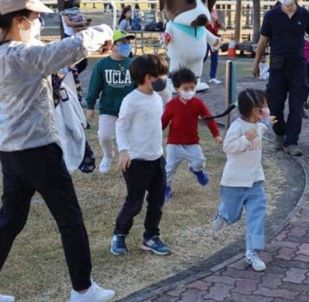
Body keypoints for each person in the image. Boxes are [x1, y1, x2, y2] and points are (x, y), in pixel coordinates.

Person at [0, 0, 115, 302]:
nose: (39, 23)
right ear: (20, 20)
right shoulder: (21, 55)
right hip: (38, 150)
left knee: (10, 221)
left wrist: (87, 46)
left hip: (12, 151)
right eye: (35, 17)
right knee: (70, 220)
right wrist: (102, 30)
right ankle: (84, 290)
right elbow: (55, 52)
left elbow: (48, 55)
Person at [110, 54, 172, 257]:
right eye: (160, 75)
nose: (164, 79)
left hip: (157, 159)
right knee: (134, 203)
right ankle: (119, 234)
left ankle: (151, 237)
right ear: (147, 77)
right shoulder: (131, 100)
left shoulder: (157, 97)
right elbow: (121, 125)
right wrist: (124, 151)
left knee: (157, 202)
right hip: (137, 162)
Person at [253, 0, 309, 157]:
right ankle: (279, 133)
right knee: (274, 105)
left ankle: (292, 142)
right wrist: (256, 63)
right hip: (277, 67)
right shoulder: (272, 15)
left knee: (296, 106)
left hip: (298, 67)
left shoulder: (304, 15)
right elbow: (263, 40)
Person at [211, 88, 274, 272]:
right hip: (234, 182)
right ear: (256, 110)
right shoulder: (237, 127)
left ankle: (252, 252)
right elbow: (228, 147)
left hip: (255, 181)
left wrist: (267, 123)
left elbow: (261, 128)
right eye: (264, 106)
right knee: (234, 215)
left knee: (257, 216)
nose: (267, 108)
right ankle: (223, 214)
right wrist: (246, 139)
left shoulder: (258, 124)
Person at [161, 68, 223, 200]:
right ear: (177, 89)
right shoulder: (171, 105)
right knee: (169, 168)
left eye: (192, 88)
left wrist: (216, 134)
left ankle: (196, 170)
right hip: (174, 144)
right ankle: (166, 188)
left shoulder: (198, 103)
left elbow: (209, 119)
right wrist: (154, 134)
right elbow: (163, 122)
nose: (189, 91)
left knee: (199, 161)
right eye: (186, 88)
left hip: (192, 142)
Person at [85, 30, 136, 174]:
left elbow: (140, 87)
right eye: (122, 43)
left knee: (129, 136)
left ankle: (128, 158)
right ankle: (107, 156)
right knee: (105, 135)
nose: (126, 46)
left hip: (129, 109)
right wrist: (90, 106)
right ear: (112, 46)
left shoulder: (134, 64)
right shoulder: (102, 65)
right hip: (109, 108)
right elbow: (94, 86)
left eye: (128, 43)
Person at [203, 8, 223, 84]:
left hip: (215, 38)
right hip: (206, 38)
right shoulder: (204, 12)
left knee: (214, 57)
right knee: (203, 57)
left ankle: (212, 77)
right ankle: (196, 73)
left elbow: (217, 24)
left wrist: (221, 25)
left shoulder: (214, 12)